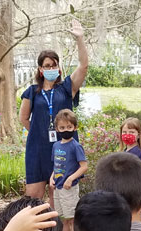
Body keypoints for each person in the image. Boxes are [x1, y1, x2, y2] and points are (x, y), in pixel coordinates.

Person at [21, 20, 89, 201]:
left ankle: (58, 230)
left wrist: (79, 39)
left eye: (54, 65)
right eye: (46, 65)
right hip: (38, 148)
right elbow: (24, 118)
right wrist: (39, 133)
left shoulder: (67, 87)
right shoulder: (31, 92)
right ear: (40, 69)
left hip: (63, 148)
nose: (51, 68)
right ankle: (34, 229)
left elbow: (83, 67)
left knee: (57, 195)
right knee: (33, 197)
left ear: (58, 67)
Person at [49, 109, 88, 231]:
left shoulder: (76, 146)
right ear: (57, 129)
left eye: (69, 127)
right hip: (58, 187)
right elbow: (56, 165)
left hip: (69, 188)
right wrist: (51, 178)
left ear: (75, 127)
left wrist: (71, 178)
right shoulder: (56, 146)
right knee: (62, 218)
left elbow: (84, 166)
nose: (66, 130)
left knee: (71, 218)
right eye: (62, 127)